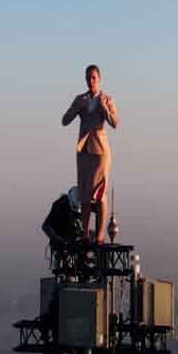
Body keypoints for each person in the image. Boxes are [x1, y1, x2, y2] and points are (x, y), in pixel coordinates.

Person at [61, 64, 119, 243]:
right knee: (85, 196)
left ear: (99, 79)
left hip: (101, 153)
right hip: (84, 152)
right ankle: (86, 234)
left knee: (99, 195)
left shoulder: (107, 99)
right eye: (88, 78)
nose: (90, 81)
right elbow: (64, 120)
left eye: (93, 78)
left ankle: (100, 235)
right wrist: (76, 108)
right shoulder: (81, 99)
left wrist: (104, 108)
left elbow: (115, 122)